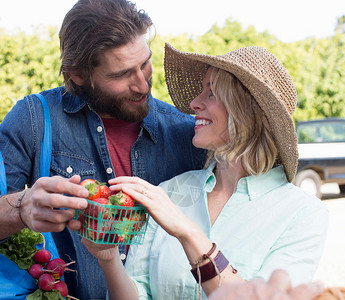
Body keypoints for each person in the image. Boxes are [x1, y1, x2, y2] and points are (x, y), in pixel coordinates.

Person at [82, 43, 329, 299]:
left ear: (246, 110)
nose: (194, 103)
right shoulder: (169, 192)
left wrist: (187, 232)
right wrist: (108, 259)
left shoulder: (304, 214)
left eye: (211, 93)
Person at [0, 1, 205, 299]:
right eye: (121, 74)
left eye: (144, 64)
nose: (142, 85)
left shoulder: (186, 133)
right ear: (78, 74)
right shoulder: (33, 119)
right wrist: (21, 207)